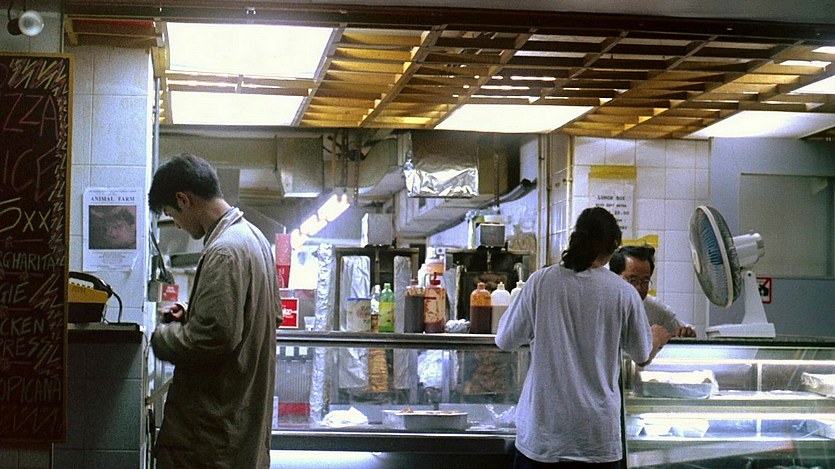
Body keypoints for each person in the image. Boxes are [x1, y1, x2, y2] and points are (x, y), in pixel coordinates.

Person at [495, 207, 671, 468]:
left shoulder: (541, 282)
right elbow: (641, 354)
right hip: (596, 438)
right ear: (612, 246)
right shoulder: (623, 292)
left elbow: (505, 340)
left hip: (544, 435)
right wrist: (658, 336)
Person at [148, 153, 280, 469]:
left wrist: (161, 337)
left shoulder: (224, 251)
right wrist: (193, 313)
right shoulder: (255, 238)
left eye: (171, 214)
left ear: (183, 200)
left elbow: (213, 338)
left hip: (212, 434)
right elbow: (262, 315)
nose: (176, 224)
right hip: (242, 424)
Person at [609, 245, 697, 338]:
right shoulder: (602, 304)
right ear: (614, 277)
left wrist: (687, 333)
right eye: (633, 280)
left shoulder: (654, 309)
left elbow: (685, 331)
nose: (639, 288)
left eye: (645, 281)